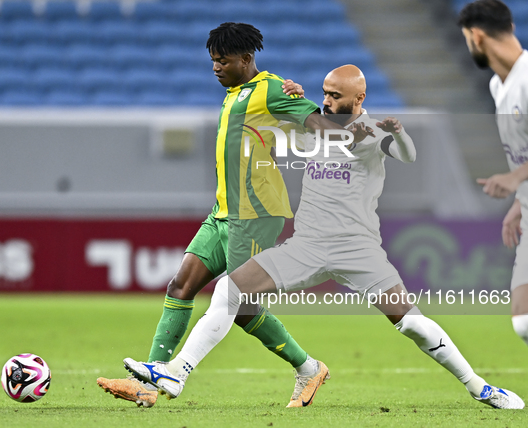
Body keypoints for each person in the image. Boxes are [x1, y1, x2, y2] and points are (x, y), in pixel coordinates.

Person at [123, 65, 525, 409]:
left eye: (335, 96)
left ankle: (480, 387)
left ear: (359, 97)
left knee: (413, 325)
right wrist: (288, 92)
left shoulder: (370, 132)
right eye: (324, 94)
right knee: (230, 289)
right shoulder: (315, 127)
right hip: (307, 245)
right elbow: (273, 122)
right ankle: (176, 373)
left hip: (358, 249)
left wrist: (398, 133)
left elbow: (407, 154)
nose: (327, 101)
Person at [97, 22, 372, 408]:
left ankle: (300, 368)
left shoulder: (272, 90)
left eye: (222, 61)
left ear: (246, 59)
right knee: (181, 286)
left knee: (238, 303)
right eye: (212, 61)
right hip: (223, 212)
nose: (215, 68)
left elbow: (320, 125)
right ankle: (151, 377)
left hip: (256, 214)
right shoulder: (234, 93)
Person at [458, 0, 528, 347]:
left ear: (477, 36)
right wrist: (519, 202)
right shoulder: (499, 87)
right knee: (524, 321)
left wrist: (515, 180)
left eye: (467, 39)